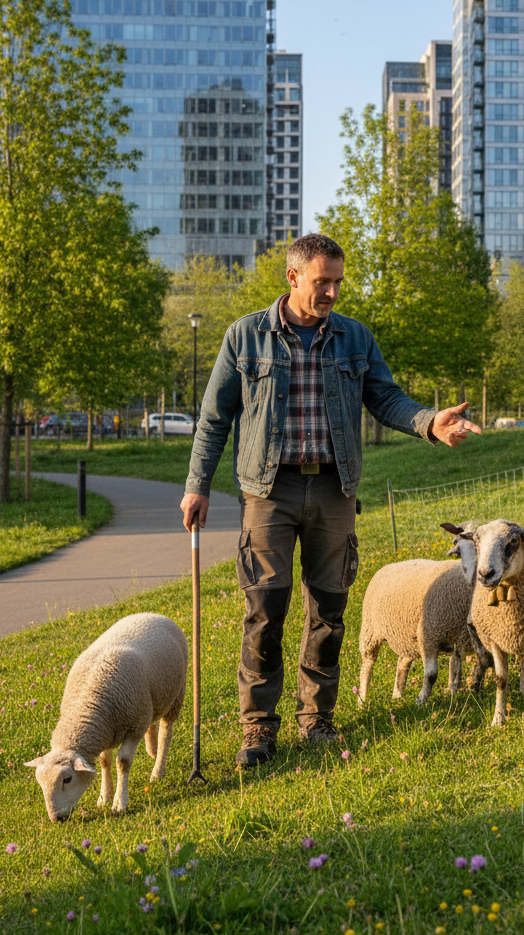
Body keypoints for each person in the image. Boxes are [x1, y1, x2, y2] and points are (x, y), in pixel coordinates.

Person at [180, 233, 482, 768]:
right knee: (264, 609)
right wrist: (196, 484)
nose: (333, 293)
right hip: (267, 491)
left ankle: (317, 717)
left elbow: (385, 397)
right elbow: (214, 417)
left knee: (329, 609)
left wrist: (429, 422)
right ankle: (258, 726)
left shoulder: (354, 338)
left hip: (333, 488)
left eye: (338, 282)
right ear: (293, 277)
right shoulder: (245, 336)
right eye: (323, 282)